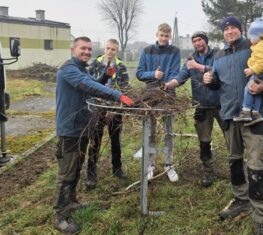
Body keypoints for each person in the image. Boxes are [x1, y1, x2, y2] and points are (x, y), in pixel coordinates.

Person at [203, 16, 263, 235]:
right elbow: (219, 85)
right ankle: (241, 200)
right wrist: (211, 82)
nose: (230, 31)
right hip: (229, 116)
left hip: (254, 116)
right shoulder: (218, 56)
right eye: (226, 28)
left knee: (257, 167)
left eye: (233, 28)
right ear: (223, 33)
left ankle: (262, 218)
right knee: (234, 161)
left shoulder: (254, 46)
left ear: (241, 30)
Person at [54, 36, 133, 234]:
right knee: (67, 174)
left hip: (81, 127)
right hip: (69, 130)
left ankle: (72, 203)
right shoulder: (68, 69)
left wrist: (106, 76)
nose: (87, 52)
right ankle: (60, 215)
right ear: (73, 50)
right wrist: (117, 95)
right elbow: (86, 85)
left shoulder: (81, 69)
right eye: (83, 49)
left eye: (89, 49)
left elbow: (94, 82)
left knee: (77, 168)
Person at [164, 31, 222, 187]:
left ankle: (236, 167)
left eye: (200, 40)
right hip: (201, 105)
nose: (197, 43)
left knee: (232, 139)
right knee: (204, 140)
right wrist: (172, 82)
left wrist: (198, 67)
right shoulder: (191, 58)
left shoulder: (217, 53)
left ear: (206, 41)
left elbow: (221, 70)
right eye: (194, 41)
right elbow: (184, 73)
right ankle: (208, 171)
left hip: (221, 104)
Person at [136, 23, 180, 182]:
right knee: (151, 131)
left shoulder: (174, 51)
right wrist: (153, 74)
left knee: (168, 130)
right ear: (157, 34)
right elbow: (139, 73)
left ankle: (169, 164)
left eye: (167, 36)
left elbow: (176, 71)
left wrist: (167, 83)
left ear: (170, 37)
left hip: (168, 94)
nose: (164, 38)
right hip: (150, 95)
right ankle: (151, 165)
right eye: (162, 35)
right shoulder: (147, 51)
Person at [86, 39, 129, 189]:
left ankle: (117, 169)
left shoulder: (121, 66)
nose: (110, 51)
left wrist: (116, 107)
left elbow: (125, 88)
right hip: (97, 108)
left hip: (114, 108)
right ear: (104, 49)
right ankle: (91, 173)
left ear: (117, 51)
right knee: (94, 141)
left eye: (113, 49)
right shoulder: (94, 65)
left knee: (115, 140)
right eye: (108, 48)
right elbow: (87, 86)